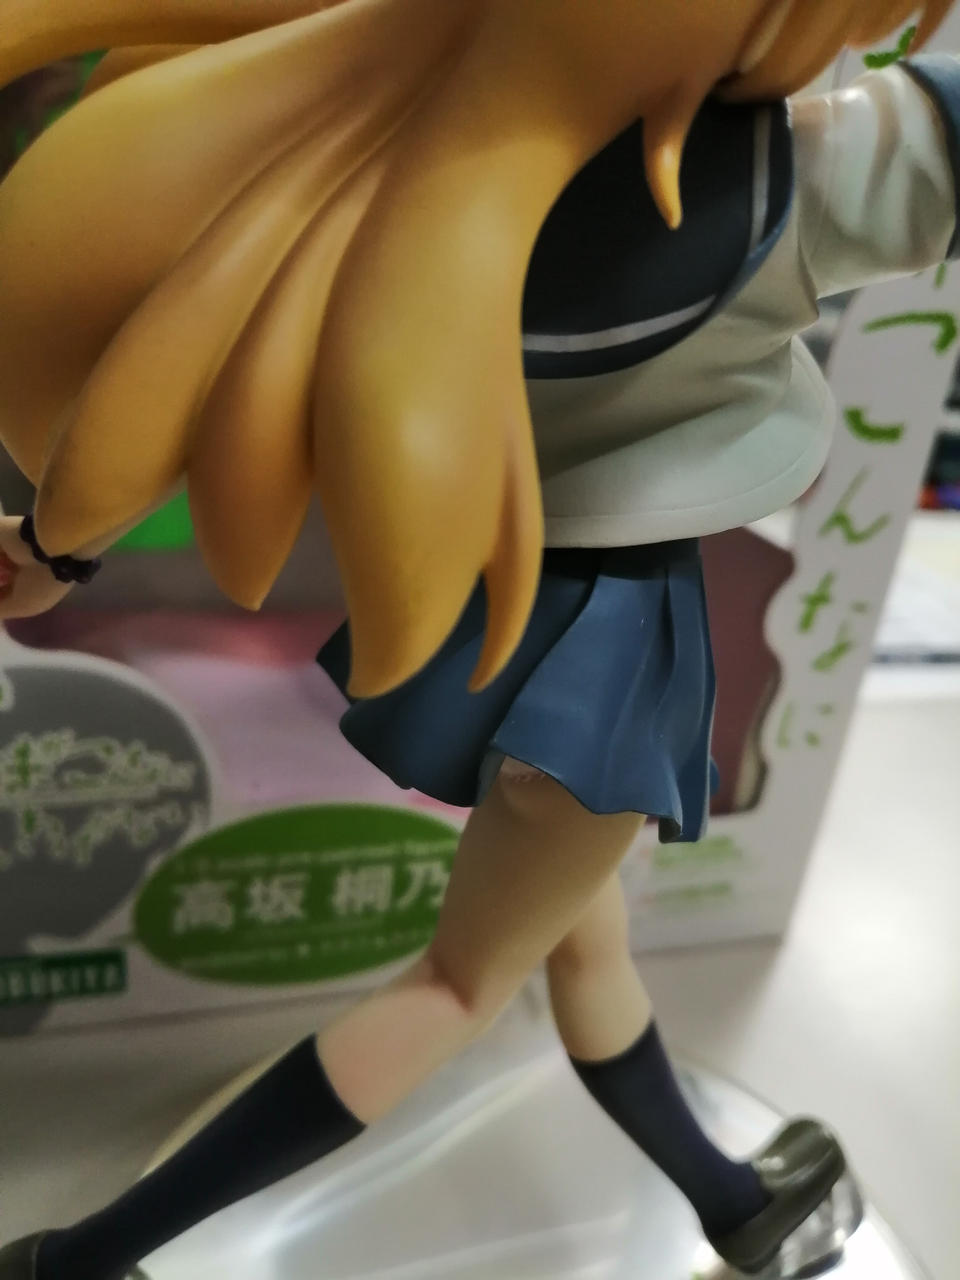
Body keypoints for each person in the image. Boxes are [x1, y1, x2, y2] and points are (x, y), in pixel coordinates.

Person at [0, 2, 956, 1277]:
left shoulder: (377, 168)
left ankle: (735, 1200)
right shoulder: (789, 181)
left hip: (491, 612)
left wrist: (58, 541)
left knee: (578, 936)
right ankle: (82, 1258)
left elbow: (191, 350)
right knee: (458, 985)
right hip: (613, 650)